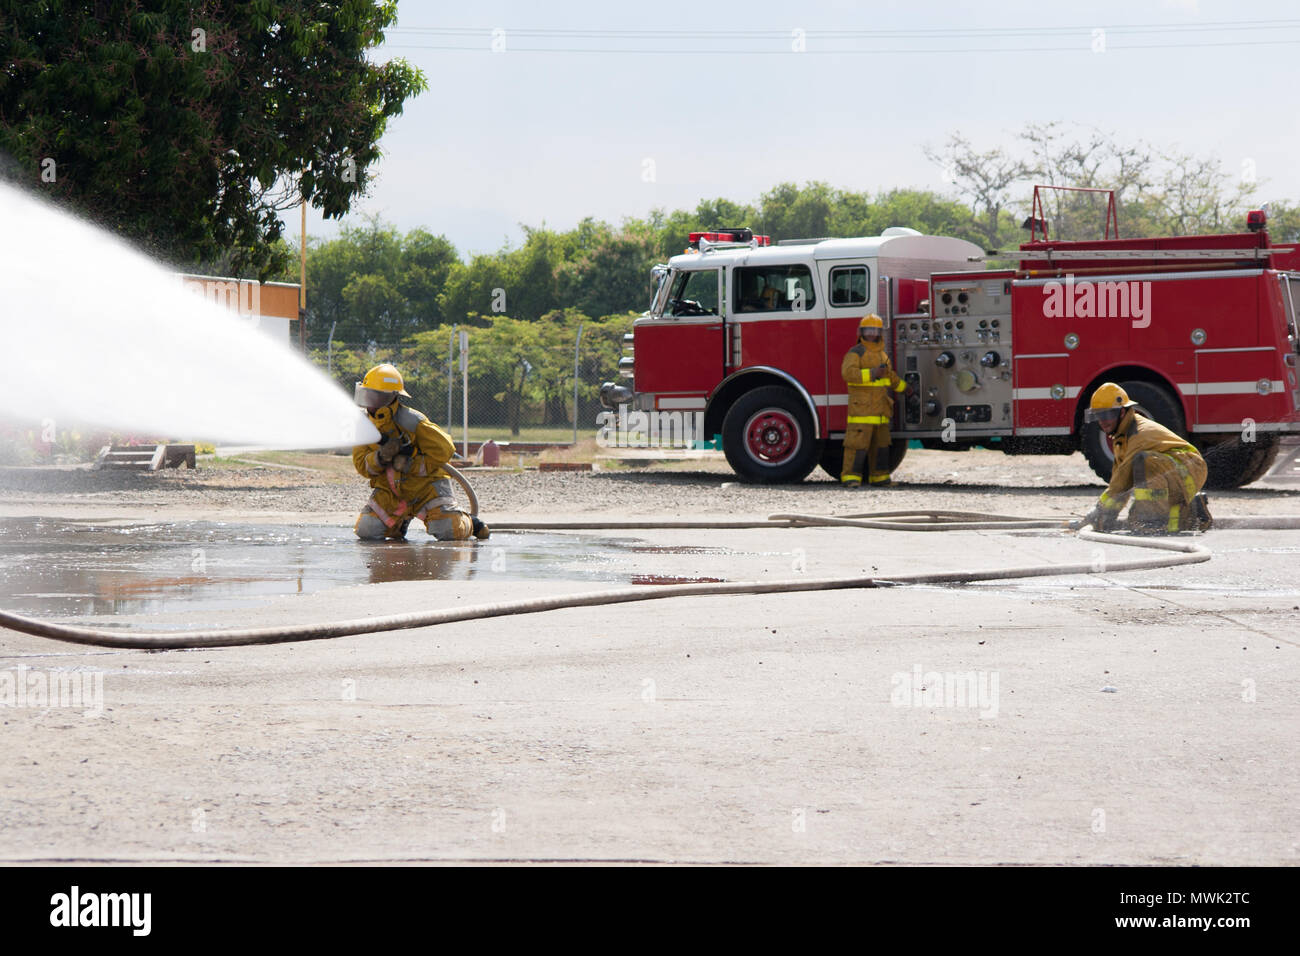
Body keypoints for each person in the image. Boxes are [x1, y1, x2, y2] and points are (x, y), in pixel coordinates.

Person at [351, 363, 489, 541]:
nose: (368, 401)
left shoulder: (412, 422)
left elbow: (446, 449)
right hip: (391, 492)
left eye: (373, 396)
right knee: (367, 530)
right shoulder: (364, 425)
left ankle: (471, 523)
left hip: (427, 488)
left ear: (390, 397)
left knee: (448, 530)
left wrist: (410, 464)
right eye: (366, 394)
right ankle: (399, 524)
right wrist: (380, 457)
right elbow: (362, 466)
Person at [1082, 382, 1212, 533]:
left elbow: (1121, 483)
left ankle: (1155, 522)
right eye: (1099, 415)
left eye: (1107, 414)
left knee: (1143, 462)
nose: (1103, 421)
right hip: (1175, 469)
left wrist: (1098, 511)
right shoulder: (1121, 436)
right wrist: (1106, 518)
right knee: (1135, 522)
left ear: (1122, 412)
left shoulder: (1138, 435)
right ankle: (1192, 512)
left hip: (1189, 468)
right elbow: (1118, 482)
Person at [840, 314, 907, 486]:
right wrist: (872, 373)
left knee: (881, 446)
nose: (871, 333)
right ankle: (850, 478)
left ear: (880, 332)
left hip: (880, 412)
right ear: (861, 332)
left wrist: (906, 389)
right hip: (862, 411)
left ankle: (880, 478)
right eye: (868, 330)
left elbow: (890, 377)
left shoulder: (883, 355)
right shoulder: (856, 352)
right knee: (857, 446)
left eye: (875, 330)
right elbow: (848, 374)